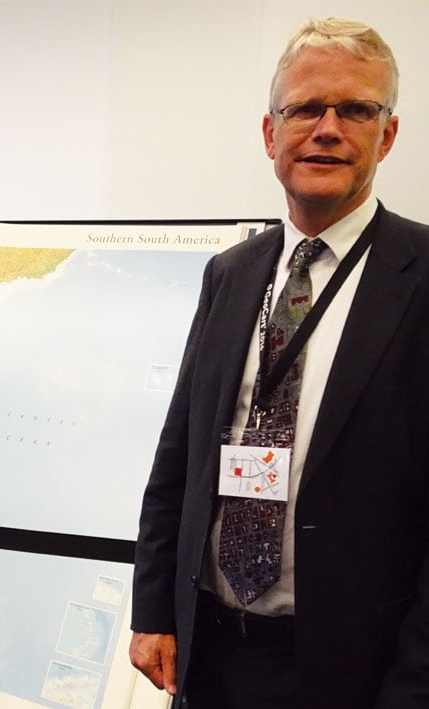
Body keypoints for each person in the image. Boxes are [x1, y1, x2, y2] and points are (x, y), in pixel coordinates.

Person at [129, 17, 429, 709]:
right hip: (209, 649)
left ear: (386, 135)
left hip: (353, 665)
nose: (327, 128)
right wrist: (153, 608)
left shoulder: (419, 280)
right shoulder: (230, 273)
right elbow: (179, 456)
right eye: (304, 108)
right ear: (272, 134)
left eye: (355, 109)